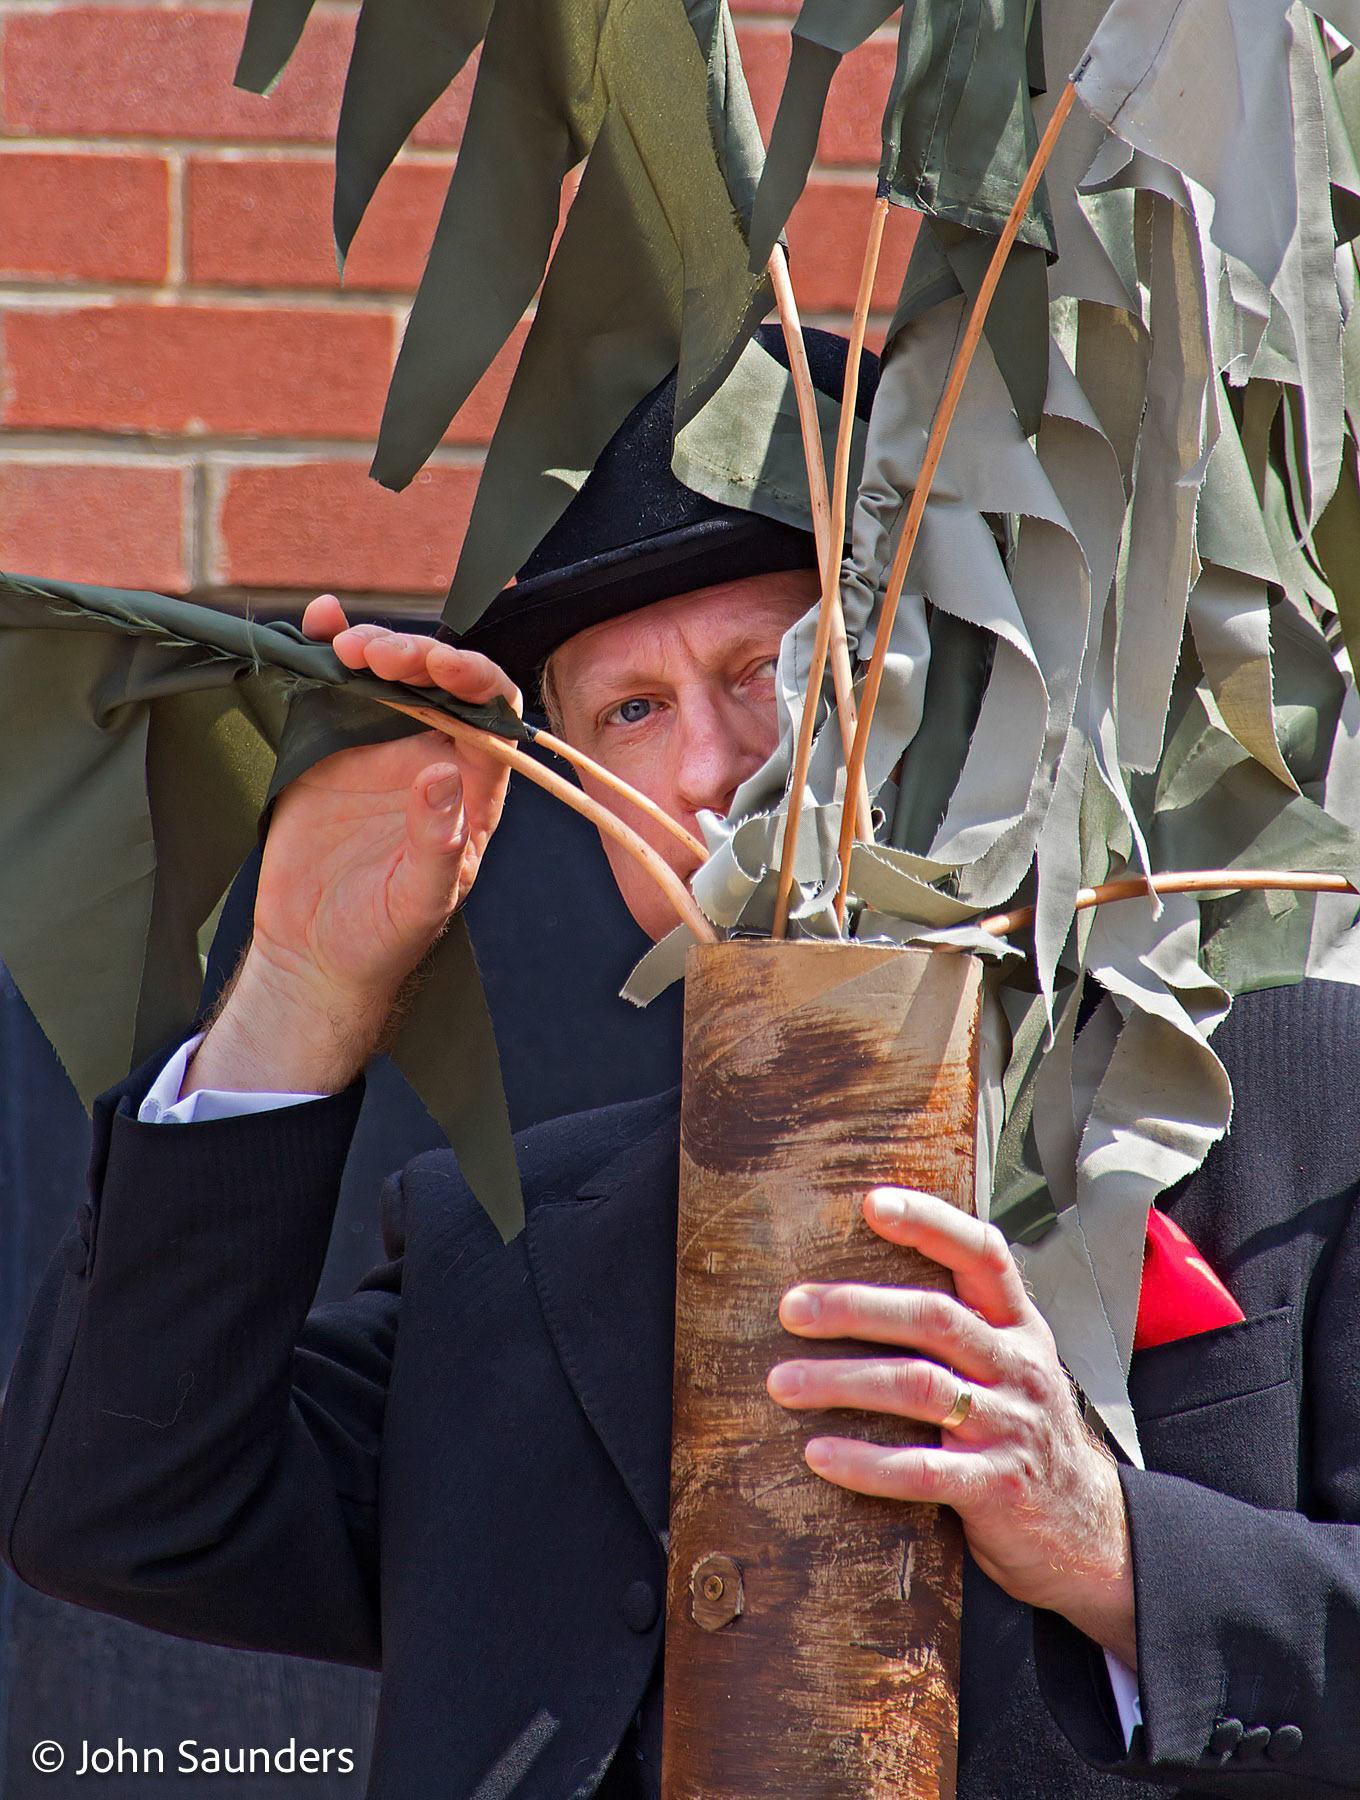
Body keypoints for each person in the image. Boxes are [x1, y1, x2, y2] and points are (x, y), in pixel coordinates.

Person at [2, 334, 1359, 1798]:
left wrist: (1116, 1549)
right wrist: (302, 982)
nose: (704, 764)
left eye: (766, 668)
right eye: (627, 712)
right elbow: (123, 1510)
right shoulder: (509, 1262)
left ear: (965, 684)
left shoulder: (1296, 1097)